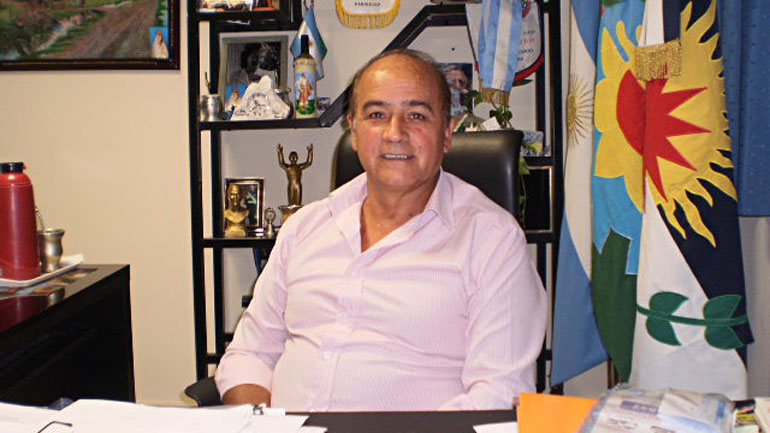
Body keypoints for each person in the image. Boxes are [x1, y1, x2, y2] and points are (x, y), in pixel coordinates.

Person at [215, 48, 546, 411]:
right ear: (354, 131)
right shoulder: (304, 228)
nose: (395, 133)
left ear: (447, 134)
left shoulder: (493, 241)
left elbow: (499, 394)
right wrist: (257, 422)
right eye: (376, 115)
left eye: (416, 115)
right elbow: (249, 354)